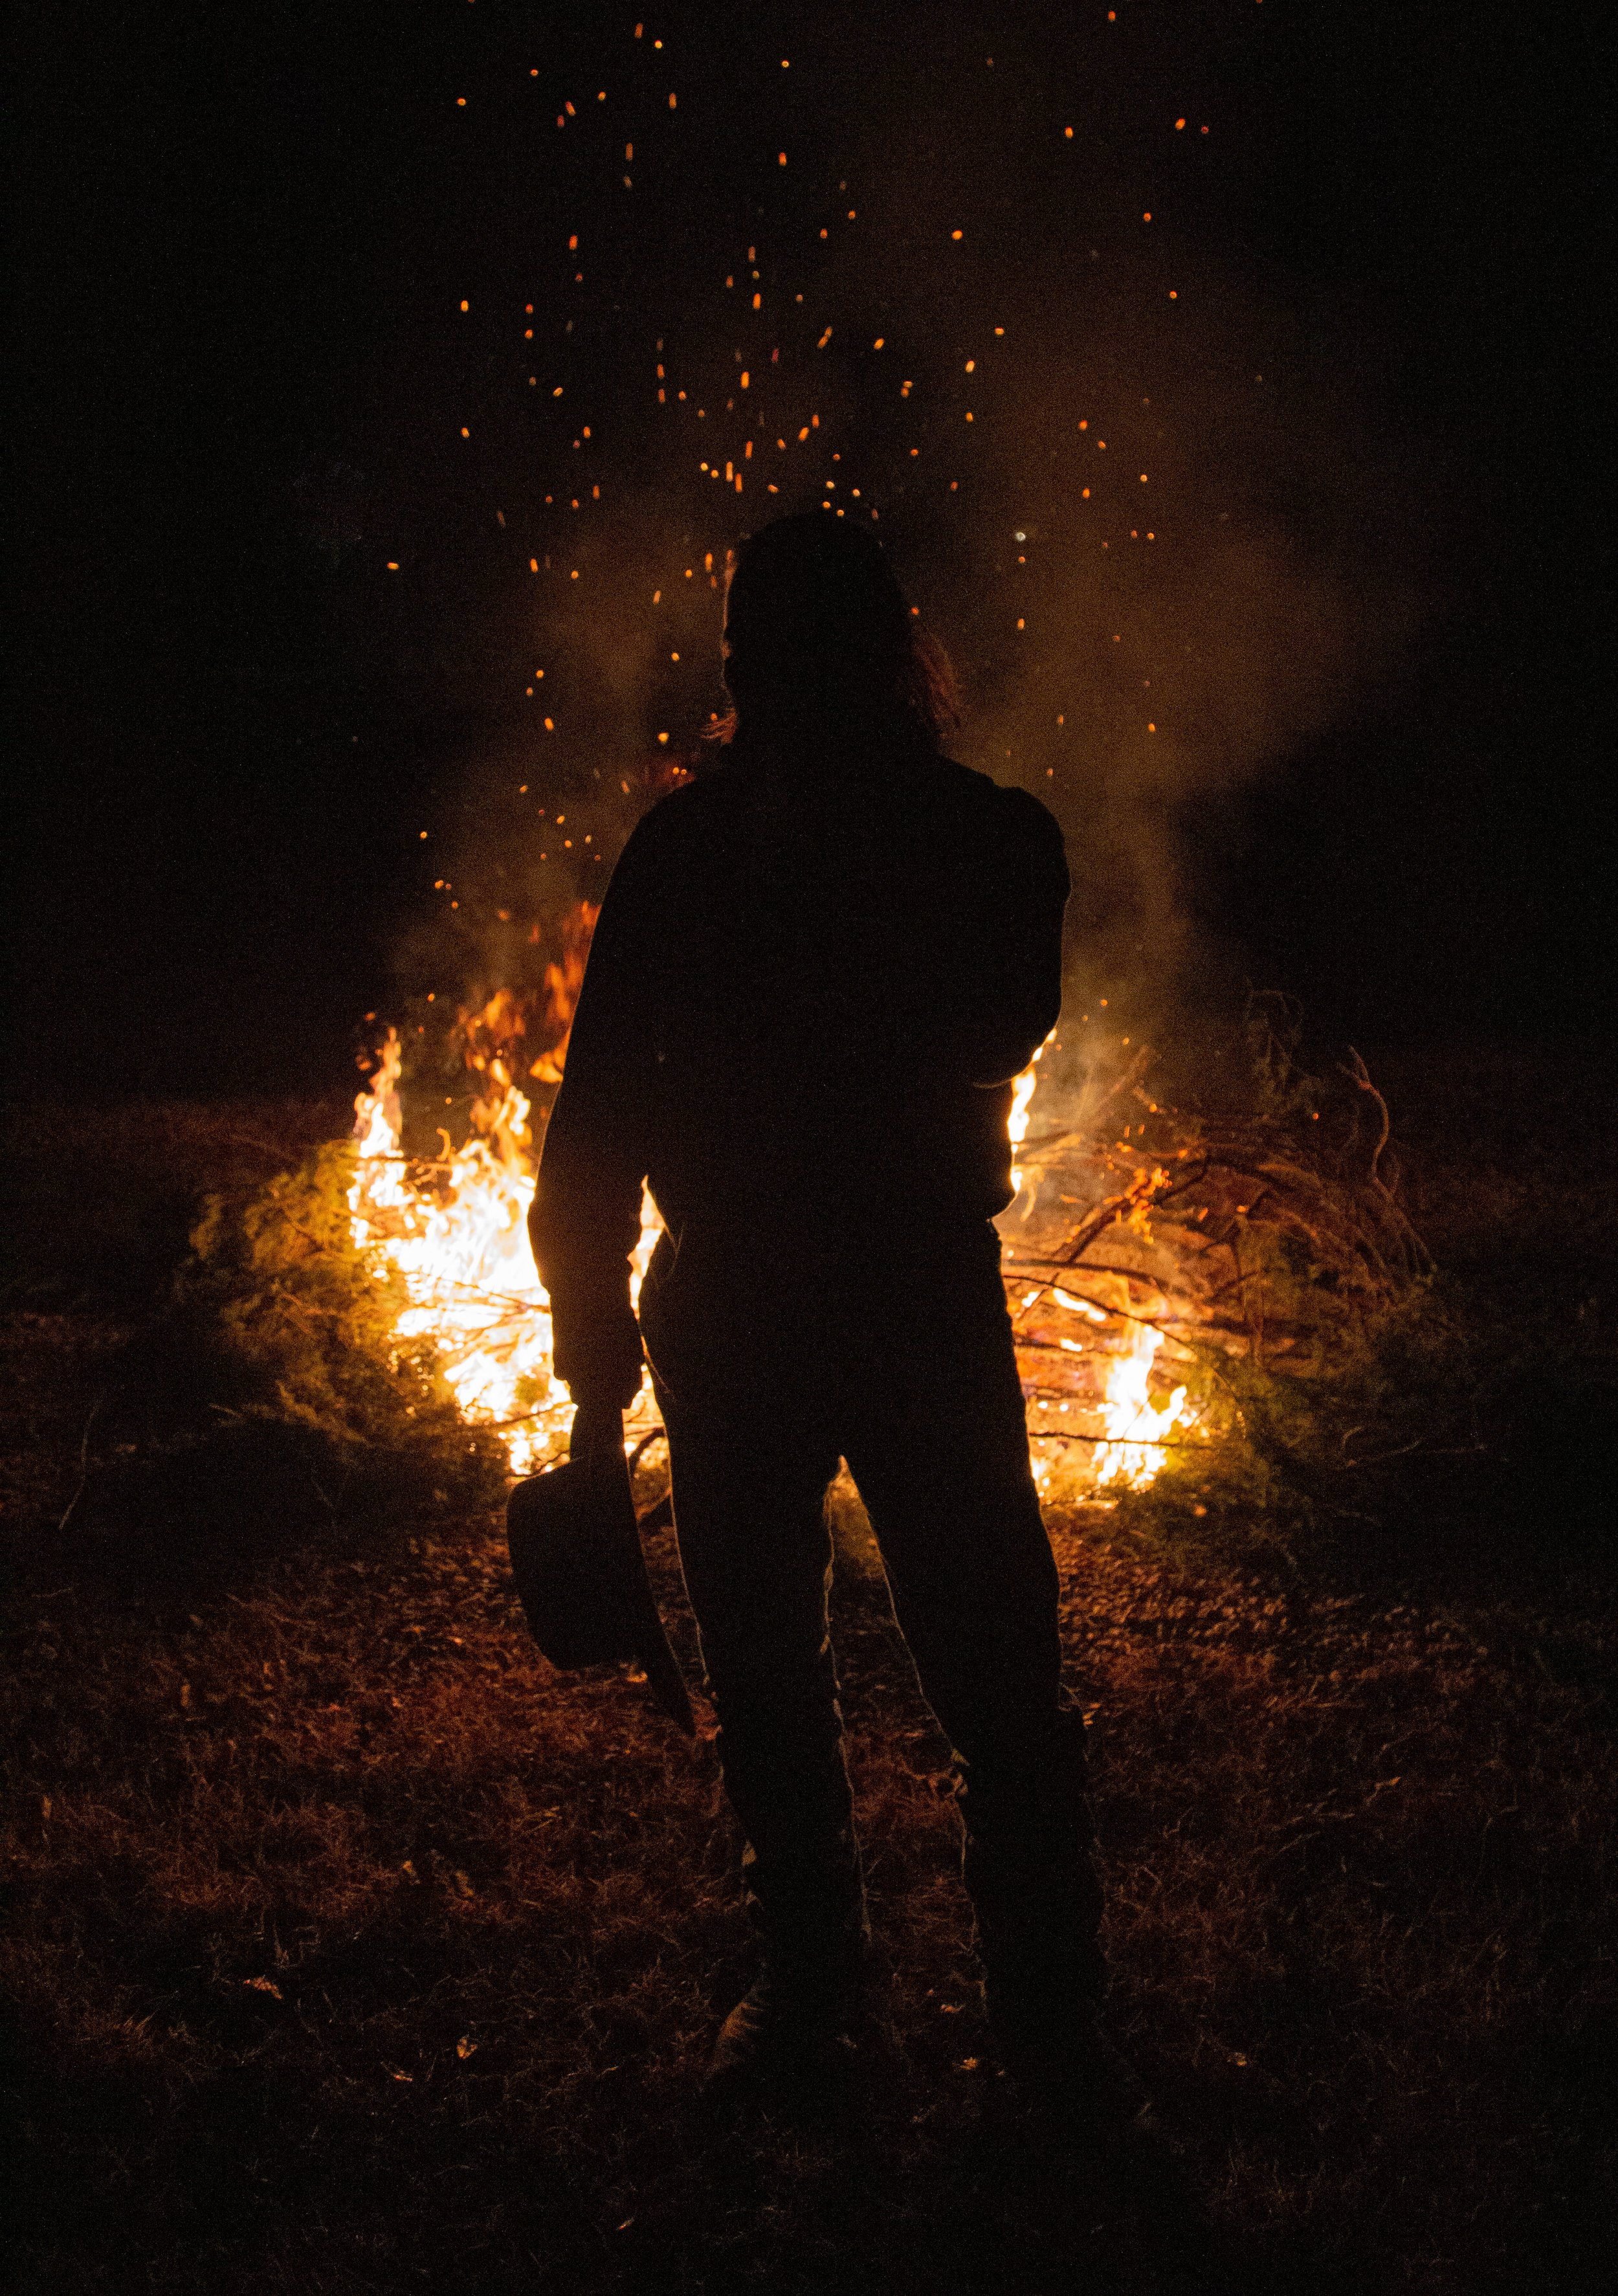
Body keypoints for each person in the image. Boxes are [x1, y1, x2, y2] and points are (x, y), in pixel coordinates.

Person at [529, 515, 1132, 2123]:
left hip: (864, 1288)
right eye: (744, 645)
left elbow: (987, 1016)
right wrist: (592, 1340)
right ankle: (867, 1994)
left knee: (964, 1658)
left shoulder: (967, 842)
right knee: (818, 1667)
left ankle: (1009, 2008)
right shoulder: (765, 849)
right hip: (771, 1297)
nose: (747, 671)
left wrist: (599, 1337)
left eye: (771, 645)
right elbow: (595, 1117)